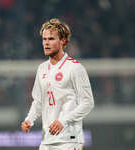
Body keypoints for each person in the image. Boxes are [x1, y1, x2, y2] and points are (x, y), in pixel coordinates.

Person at [21, 18, 94, 150]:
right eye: (44, 39)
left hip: (69, 140)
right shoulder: (42, 68)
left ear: (63, 41)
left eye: (51, 39)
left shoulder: (75, 68)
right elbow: (38, 101)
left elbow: (87, 103)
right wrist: (29, 120)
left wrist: (63, 121)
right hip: (47, 140)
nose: (46, 43)